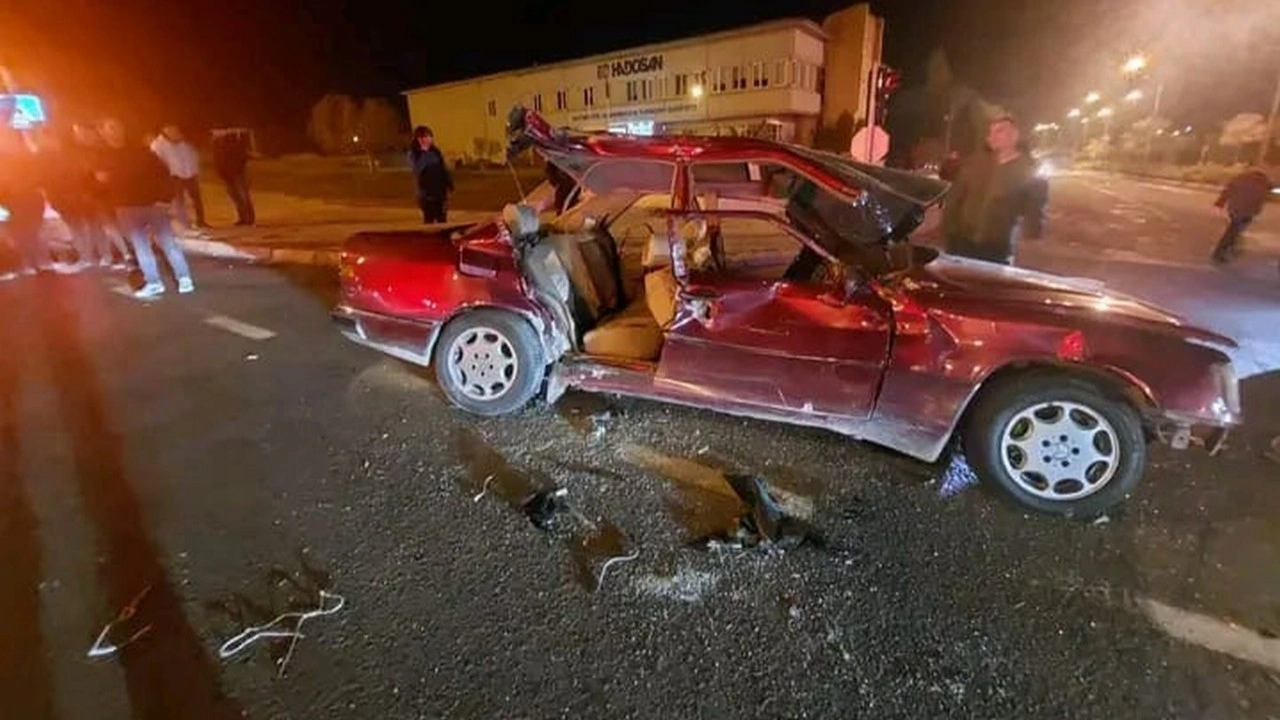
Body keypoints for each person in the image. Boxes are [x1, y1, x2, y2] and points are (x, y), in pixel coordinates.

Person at [95, 118, 195, 297]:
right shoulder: (103, 156)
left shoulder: (140, 151)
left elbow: (162, 173)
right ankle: (155, 281)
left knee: (166, 242)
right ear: (102, 132)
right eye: (109, 128)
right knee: (141, 246)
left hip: (150, 204)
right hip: (126, 206)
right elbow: (100, 181)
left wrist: (165, 198)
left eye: (116, 126)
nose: (114, 131)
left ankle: (183, 278)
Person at [941, 115, 1047, 265]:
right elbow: (954, 200)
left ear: (1014, 135)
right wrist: (947, 234)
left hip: (997, 249)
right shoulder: (975, 164)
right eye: (991, 132)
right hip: (961, 243)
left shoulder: (1027, 169)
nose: (992, 137)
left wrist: (1031, 236)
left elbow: (1034, 212)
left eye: (999, 131)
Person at [0, 118, 53, 277]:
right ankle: (31, 263)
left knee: (31, 231)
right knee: (20, 233)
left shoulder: (24, 157)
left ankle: (40, 263)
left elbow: (37, 175)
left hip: (27, 197)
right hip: (12, 199)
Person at [1210, 165, 1275, 265]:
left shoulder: (1241, 177)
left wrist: (1219, 203)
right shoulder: (1264, 181)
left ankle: (1227, 248)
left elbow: (1228, 190)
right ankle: (1221, 251)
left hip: (1235, 208)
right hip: (1250, 210)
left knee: (1234, 229)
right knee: (1234, 230)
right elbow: (1271, 193)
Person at [151, 124, 207, 232]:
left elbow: (192, 157)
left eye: (175, 129)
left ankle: (201, 222)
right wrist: (165, 174)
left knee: (196, 199)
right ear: (165, 130)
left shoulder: (184, 143)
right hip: (174, 176)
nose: (174, 131)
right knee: (179, 201)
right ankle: (184, 223)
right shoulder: (158, 144)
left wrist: (195, 171)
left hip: (190, 174)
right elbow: (157, 162)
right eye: (171, 129)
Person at [408, 125, 453, 223]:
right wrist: (424, 152)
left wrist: (449, 185)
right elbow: (418, 169)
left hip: (440, 193)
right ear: (418, 139)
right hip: (426, 195)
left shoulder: (436, 152)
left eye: (429, 136)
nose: (428, 139)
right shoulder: (415, 154)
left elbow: (443, 170)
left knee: (442, 220)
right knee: (429, 220)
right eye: (424, 137)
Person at [212, 129, 255, 225]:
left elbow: (242, 154)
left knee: (242, 194)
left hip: (238, 170)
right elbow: (217, 158)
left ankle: (249, 218)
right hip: (227, 172)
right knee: (235, 196)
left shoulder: (233, 138)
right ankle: (243, 217)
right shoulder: (217, 142)